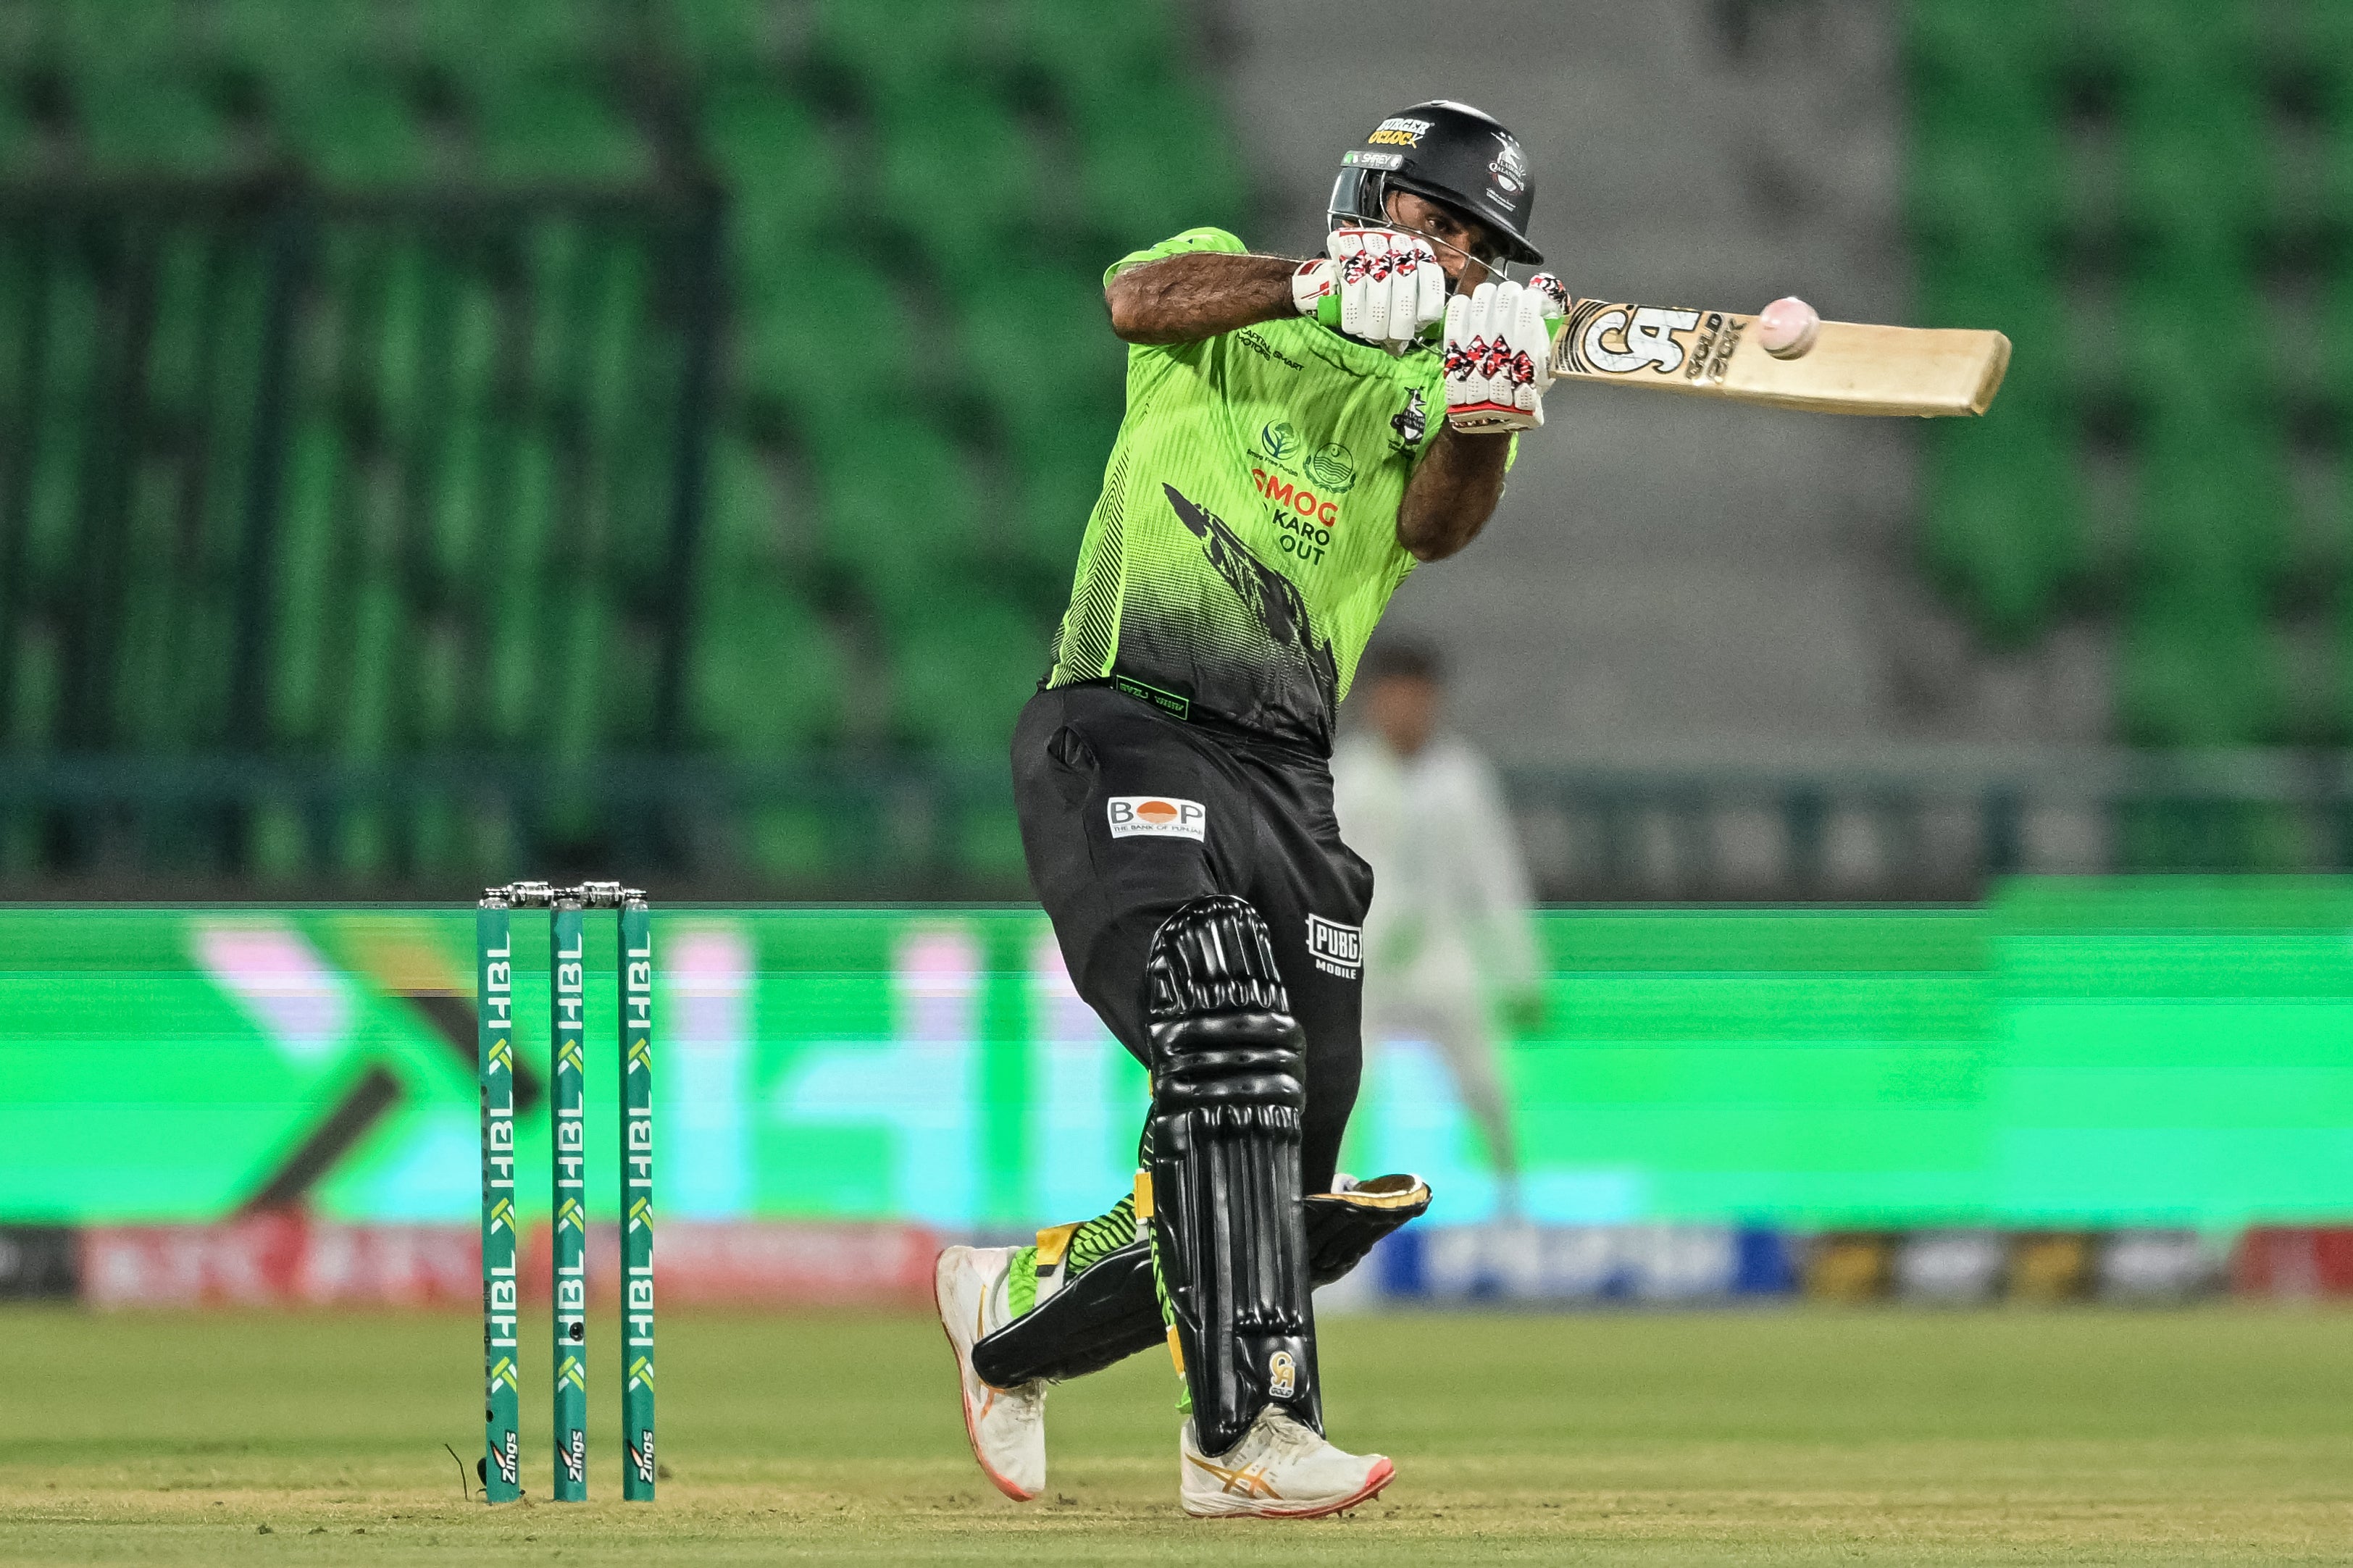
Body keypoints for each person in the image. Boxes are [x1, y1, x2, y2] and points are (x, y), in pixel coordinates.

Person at [933, 100, 1564, 1518]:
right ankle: (1247, 1432)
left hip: (1287, 776)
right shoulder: (1229, 285)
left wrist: (1482, 408)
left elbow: (1436, 527)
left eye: (1473, 241)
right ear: (1364, 198)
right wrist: (1310, 285)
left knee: (1280, 1191)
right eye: (1429, 216)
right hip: (1125, 718)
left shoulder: (1431, 386)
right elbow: (1133, 299)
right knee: (1223, 1018)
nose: (1446, 250)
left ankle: (1010, 1307)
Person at [1333, 637, 1544, 1218]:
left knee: (1488, 1083)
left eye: (1416, 697)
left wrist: (1522, 971)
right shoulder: (1347, 775)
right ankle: (1330, 1214)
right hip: (1364, 957)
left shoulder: (1461, 778)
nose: (1404, 710)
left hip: (1442, 953)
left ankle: (1513, 1205)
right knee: (1343, 1092)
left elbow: (1495, 876)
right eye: (1394, 696)